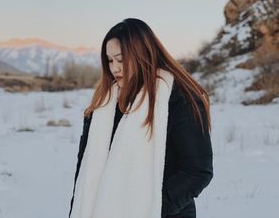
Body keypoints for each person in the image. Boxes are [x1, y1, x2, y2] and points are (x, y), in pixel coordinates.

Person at [68, 18, 213, 218]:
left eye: (121, 59)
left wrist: (148, 207)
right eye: (110, 60)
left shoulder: (179, 98)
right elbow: (83, 175)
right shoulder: (102, 105)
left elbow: (197, 171)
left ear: (142, 54)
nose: (114, 68)